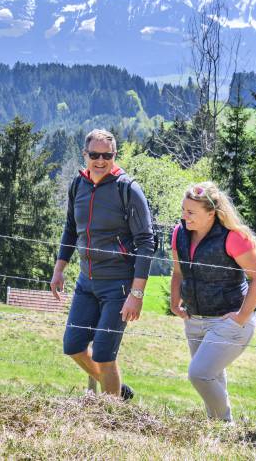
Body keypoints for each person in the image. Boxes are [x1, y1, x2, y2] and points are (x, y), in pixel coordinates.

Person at [50, 129, 154, 400]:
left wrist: (137, 294)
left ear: (114, 156)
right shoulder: (78, 185)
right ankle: (117, 391)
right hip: (86, 281)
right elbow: (71, 229)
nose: (100, 160)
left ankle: (110, 417)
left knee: (105, 354)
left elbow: (146, 242)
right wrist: (59, 269)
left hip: (118, 285)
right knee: (73, 346)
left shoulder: (127, 189)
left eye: (107, 155)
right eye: (94, 155)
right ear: (84, 155)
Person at [170, 181, 256, 422]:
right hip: (194, 319)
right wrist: (174, 302)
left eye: (191, 212)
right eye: (183, 210)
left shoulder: (232, 238)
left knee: (199, 374)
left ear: (211, 213)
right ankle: (218, 431)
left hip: (228, 320)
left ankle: (225, 424)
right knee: (212, 376)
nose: (184, 216)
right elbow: (178, 271)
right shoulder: (179, 234)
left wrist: (242, 317)